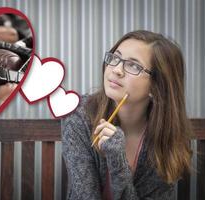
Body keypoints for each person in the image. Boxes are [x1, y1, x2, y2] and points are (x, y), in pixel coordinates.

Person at [62, 30, 193, 199]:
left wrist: (117, 159)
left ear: (156, 85)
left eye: (133, 66)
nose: (116, 70)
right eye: (115, 58)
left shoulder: (166, 136)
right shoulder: (78, 115)